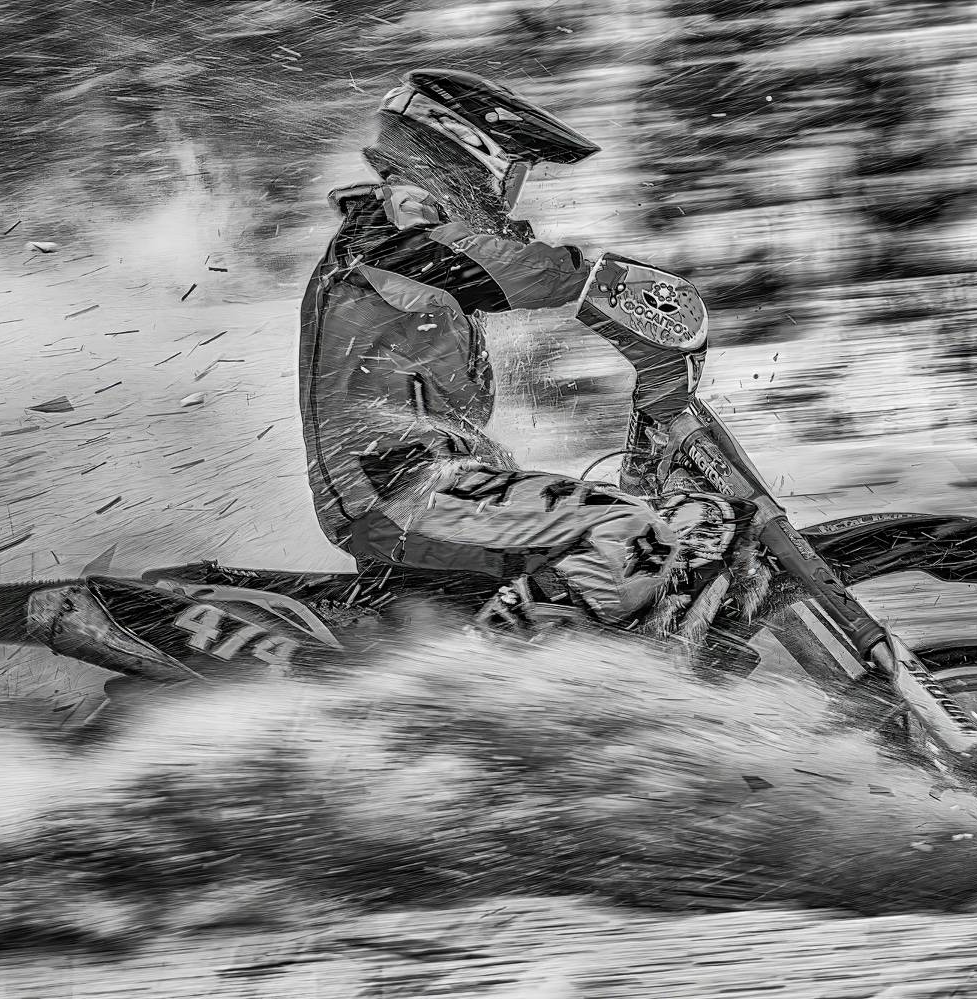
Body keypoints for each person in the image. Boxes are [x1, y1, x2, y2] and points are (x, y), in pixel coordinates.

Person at [297, 68, 725, 628]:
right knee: (627, 531)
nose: (511, 196)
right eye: (514, 173)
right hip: (401, 492)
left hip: (431, 485)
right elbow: (497, 267)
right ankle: (522, 665)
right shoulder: (386, 233)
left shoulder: (396, 243)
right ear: (470, 153)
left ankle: (590, 643)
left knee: (646, 529)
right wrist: (609, 284)